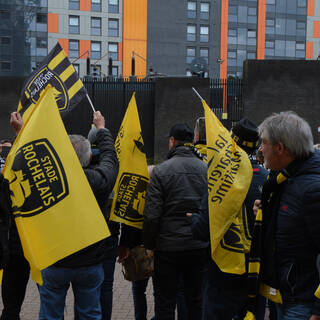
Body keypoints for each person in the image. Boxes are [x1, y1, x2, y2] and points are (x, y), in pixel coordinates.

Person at [38, 111, 118, 320]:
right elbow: (110, 159)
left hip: (54, 259)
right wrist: (102, 130)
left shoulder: (47, 181)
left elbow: (28, 164)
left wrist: (21, 133)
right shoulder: (98, 181)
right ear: (90, 157)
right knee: (89, 314)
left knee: (50, 314)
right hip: (89, 261)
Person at [189, 118, 268, 320]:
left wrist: (193, 219)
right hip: (256, 268)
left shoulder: (220, 176)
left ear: (232, 141)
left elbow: (203, 228)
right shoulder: (268, 177)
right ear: (257, 146)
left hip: (223, 270)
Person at [250, 111, 320, 320]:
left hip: (302, 304)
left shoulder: (311, 190)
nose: (260, 149)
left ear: (280, 148)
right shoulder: (285, 180)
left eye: (263, 143)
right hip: (285, 297)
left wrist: (318, 310)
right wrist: (267, 214)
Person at [143, 123, 208, 320]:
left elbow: (152, 215)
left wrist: (150, 244)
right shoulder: (206, 170)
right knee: (196, 300)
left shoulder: (161, 172)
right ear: (192, 142)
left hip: (167, 249)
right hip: (198, 246)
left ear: (172, 142)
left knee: (165, 303)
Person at [0, 113, 30, 320]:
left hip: (15, 246)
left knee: (11, 306)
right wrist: (21, 133)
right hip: (18, 247)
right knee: (12, 306)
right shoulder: (25, 175)